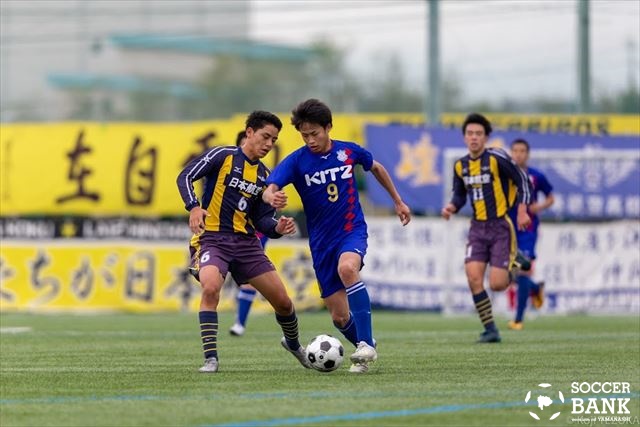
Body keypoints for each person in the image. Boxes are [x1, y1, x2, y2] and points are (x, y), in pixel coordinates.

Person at [263, 98, 411, 373]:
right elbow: (269, 187)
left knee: (348, 268)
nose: (310, 140)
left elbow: (376, 167)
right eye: (304, 135)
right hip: (321, 243)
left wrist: (398, 201)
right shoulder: (297, 161)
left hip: (351, 231)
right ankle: (366, 351)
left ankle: (365, 342)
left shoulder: (348, 152)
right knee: (339, 317)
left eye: (315, 134)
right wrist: (272, 196)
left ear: (328, 127)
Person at [176, 111, 310, 373]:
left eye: (273, 139)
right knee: (211, 287)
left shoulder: (265, 176)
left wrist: (278, 227)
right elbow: (185, 176)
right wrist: (193, 207)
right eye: (265, 136)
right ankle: (211, 359)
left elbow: (262, 221)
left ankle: (293, 344)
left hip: (247, 245)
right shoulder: (222, 156)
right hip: (212, 239)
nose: (269, 144)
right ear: (249, 132)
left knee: (283, 302)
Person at [441, 113, 532, 343]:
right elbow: (460, 194)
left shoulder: (497, 158)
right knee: (473, 277)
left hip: (501, 226)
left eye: (478, 134)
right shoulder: (460, 165)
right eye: (470, 134)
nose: (474, 138)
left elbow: (522, 181)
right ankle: (490, 329)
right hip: (477, 228)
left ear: (486, 137)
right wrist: (452, 206)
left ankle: (515, 260)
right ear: (464, 137)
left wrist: (522, 210)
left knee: (498, 284)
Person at [507, 138, 555, 330]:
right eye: (515, 151)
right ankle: (536, 289)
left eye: (522, 151)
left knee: (523, 269)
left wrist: (538, 207)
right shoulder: (505, 175)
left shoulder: (536, 176)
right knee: (506, 273)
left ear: (528, 154)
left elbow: (551, 198)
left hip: (528, 229)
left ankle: (518, 319)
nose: (518, 154)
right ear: (511, 153)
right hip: (508, 228)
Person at [228, 130, 270, 337]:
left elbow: (266, 212)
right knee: (214, 279)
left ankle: (239, 323)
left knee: (249, 279)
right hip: (223, 233)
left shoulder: (264, 175)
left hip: (252, 234)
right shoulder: (226, 168)